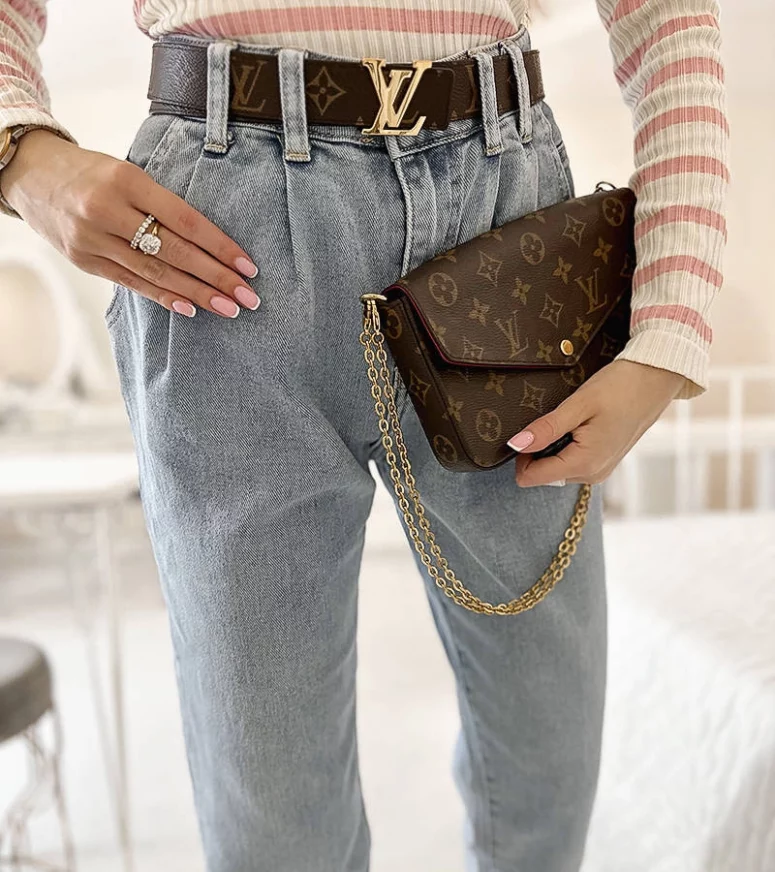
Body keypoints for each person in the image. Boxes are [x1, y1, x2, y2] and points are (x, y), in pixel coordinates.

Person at [0, 1, 728, 870]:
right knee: (272, 806)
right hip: (222, 242)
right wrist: (21, 153)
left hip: (504, 226)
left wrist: (669, 331)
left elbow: (667, 17)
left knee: (549, 756)